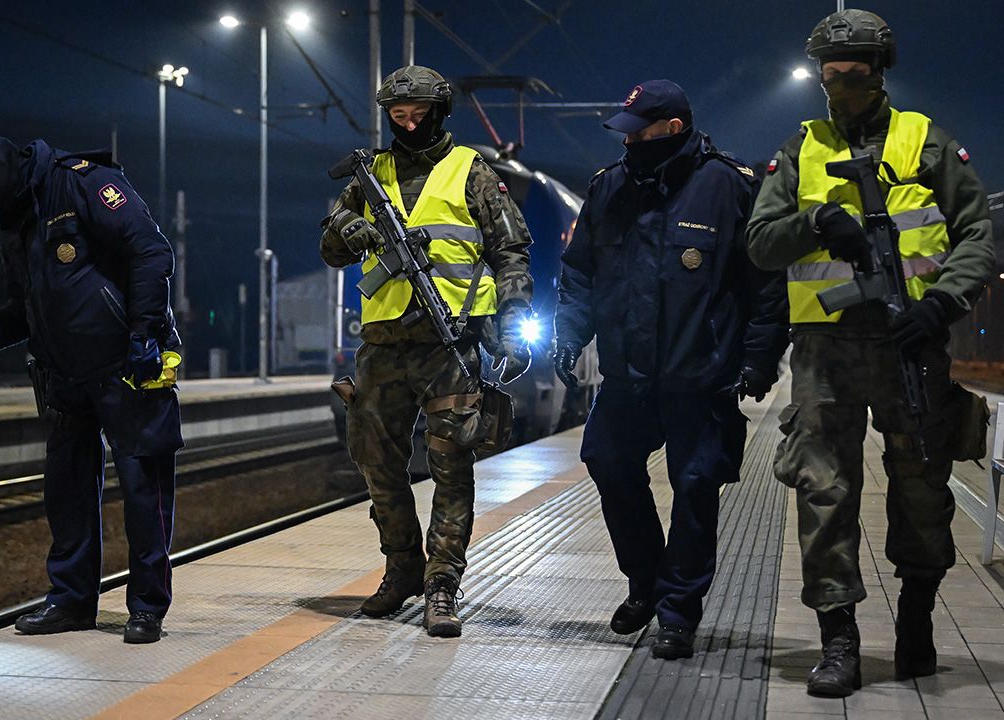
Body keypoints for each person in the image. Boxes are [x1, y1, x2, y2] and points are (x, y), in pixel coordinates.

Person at [747, 9, 994, 696]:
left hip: (911, 346)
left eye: (854, 75)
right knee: (824, 494)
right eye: (829, 77)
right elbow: (760, 244)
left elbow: (975, 234)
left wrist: (942, 302)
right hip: (824, 354)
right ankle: (839, 641)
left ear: (880, 71)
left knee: (922, 486)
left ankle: (917, 621)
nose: (840, 88)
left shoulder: (928, 143)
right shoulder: (800, 151)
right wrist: (815, 220)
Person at [553, 80, 788, 660]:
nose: (629, 141)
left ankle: (677, 613)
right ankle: (646, 583)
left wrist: (758, 361)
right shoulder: (609, 189)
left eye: (640, 130)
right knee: (606, 460)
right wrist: (568, 335)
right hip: (628, 376)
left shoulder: (729, 188)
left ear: (672, 129)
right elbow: (580, 271)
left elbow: (765, 285)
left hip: (700, 375)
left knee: (695, 487)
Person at [0, 134, 183, 644]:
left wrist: (143, 332)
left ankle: (146, 608)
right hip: (63, 375)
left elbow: (150, 251)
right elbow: (26, 310)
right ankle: (71, 601)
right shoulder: (17, 220)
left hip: (125, 365)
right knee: (67, 493)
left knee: (143, 489)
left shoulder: (84, 184)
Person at [321, 65, 534, 638]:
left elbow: (511, 251)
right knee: (376, 463)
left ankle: (443, 586)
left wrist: (512, 322)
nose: (409, 126)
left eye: (418, 116)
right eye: (398, 117)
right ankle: (401, 569)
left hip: (451, 344)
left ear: (439, 113)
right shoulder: (372, 174)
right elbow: (329, 247)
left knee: (451, 466)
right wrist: (351, 229)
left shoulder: (472, 171)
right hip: (383, 347)